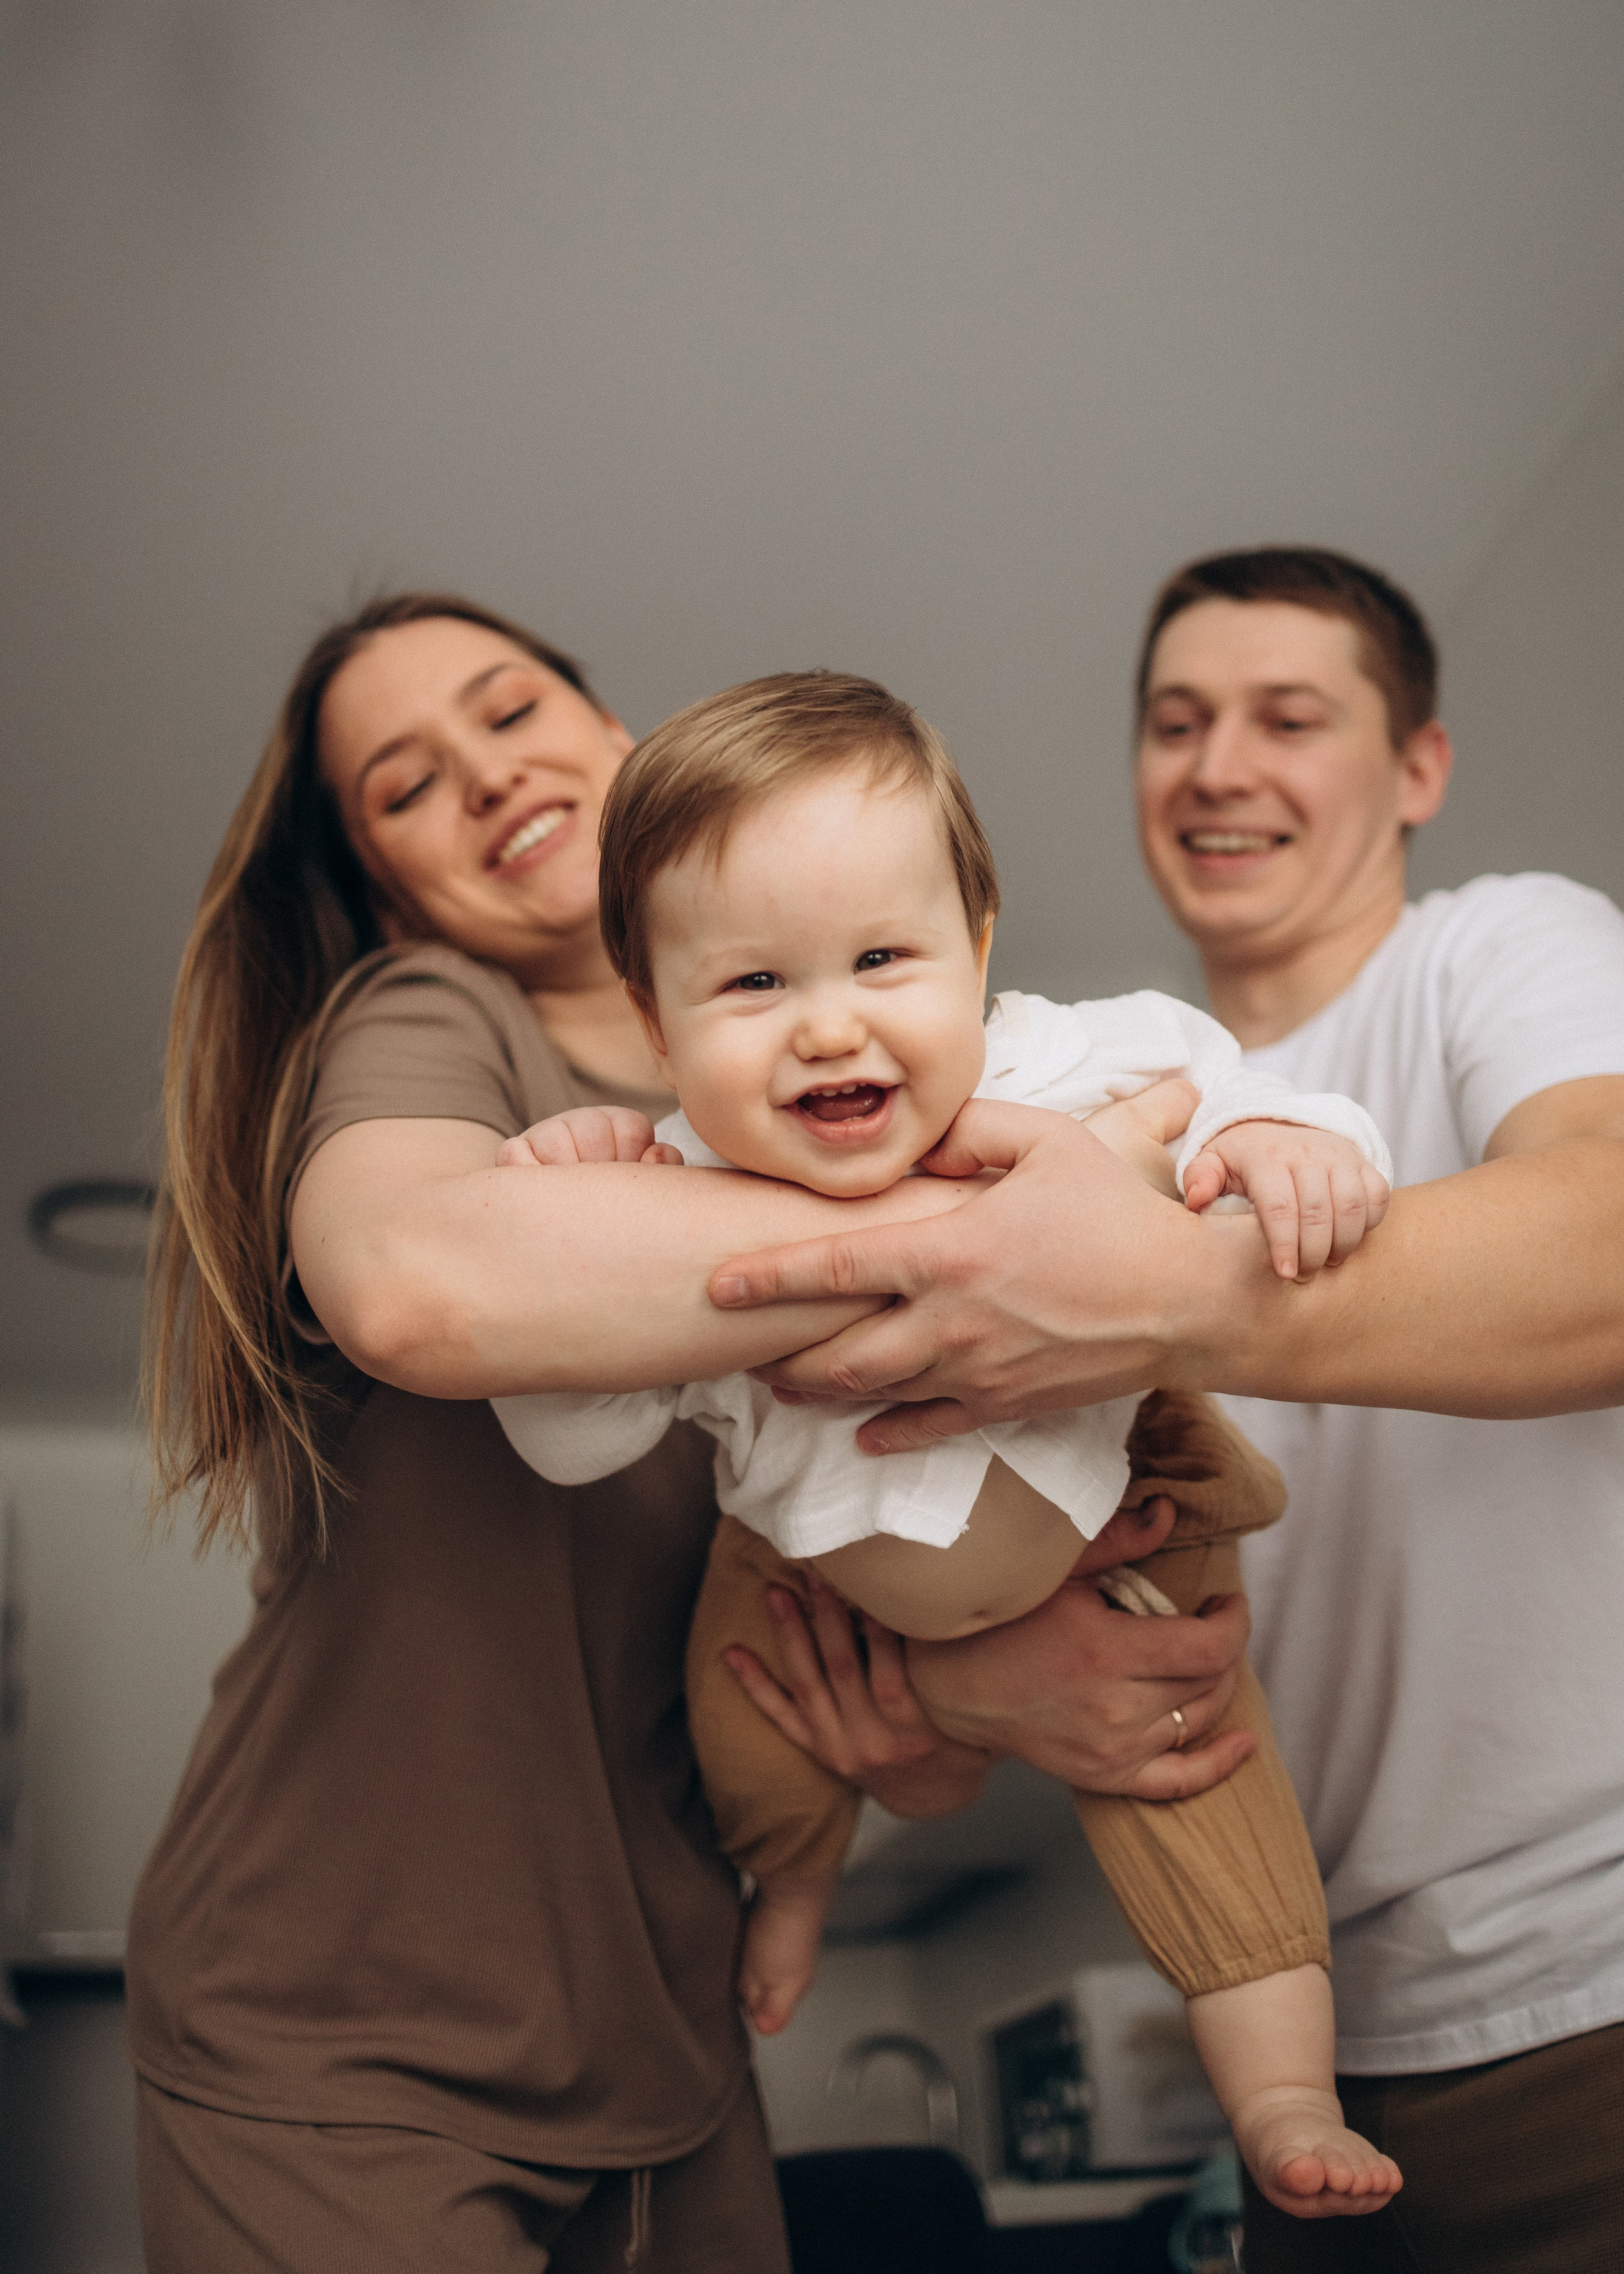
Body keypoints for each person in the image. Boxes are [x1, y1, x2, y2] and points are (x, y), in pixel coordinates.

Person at [129, 593, 1259, 2274]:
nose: (487, 776)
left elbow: (885, 1714)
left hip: (673, 2022)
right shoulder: (437, 1016)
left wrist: (956, 1695)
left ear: (616, 734)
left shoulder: (869, 1079)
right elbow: (419, 1283)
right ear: (384, 885)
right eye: (405, 785)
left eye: (512, 711)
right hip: (342, 2009)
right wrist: (1052, 1236)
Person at [711, 551, 1624, 2271]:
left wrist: (1142, 1293)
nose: (1218, 766)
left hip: (1595, 1988)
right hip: (1329, 2025)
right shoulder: (1073, 1084)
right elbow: (984, 1542)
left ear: (1417, 767)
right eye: (1176, 723)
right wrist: (947, 1695)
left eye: (1290, 718)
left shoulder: (1500, 948)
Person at [490, 669, 1399, 2217]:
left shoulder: (1082, 1063)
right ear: (651, 1019)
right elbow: (569, 1441)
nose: (827, 1023)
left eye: (881, 957)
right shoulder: (665, 1193)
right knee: (741, 1732)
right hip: (813, 1561)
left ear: (976, 947)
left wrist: (1275, 1143)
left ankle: (1282, 2090)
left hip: (1111, 1514)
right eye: (752, 987)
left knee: (1196, 1779)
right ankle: (794, 1881)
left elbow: (1287, 1105)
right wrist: (549, 1214)